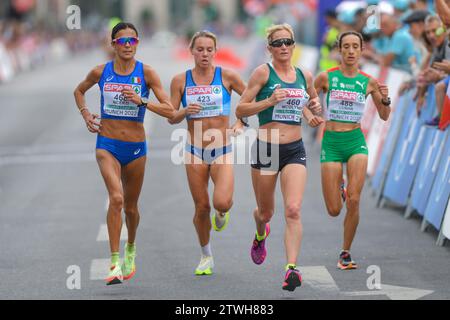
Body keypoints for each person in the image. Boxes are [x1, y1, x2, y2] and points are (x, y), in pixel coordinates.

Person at [73, 22, 174, 285]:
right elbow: (79, 90)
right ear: (113, 45)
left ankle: (131, 246)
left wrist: (141, 100)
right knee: (116, 198)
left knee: (130, 207)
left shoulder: (147, 74)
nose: (128, 45)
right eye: (122, 41)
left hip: (136, 148)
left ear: (138, 44)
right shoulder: (100, 71)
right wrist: (86, 114)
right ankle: (114, 262)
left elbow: (170, 109)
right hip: (107, 144)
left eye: (132, 41)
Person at [236, 23, 322, 292]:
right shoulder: (262, 73)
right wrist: (269, 101)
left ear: (294, 45)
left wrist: (313, 111)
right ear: (269, 48)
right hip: (266, 148)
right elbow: (241, 108)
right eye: (277, 43)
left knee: (293, 209)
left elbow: (309, 104)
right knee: (266, 212)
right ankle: (261, 232)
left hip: (294, 149)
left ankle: (291, 270)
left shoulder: (304, 74)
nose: (283, 47)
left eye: (287, 42)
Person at [169, 30, 246, 276]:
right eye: (199, 49)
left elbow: (250, 100)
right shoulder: (181, 81)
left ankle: (222, 212)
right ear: (191, 51)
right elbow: (171, 116)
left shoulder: (228, 76)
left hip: (222, 148)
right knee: (201, 207)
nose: (204, 54)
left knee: (221, 202)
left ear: (215, 51)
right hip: (194, 150)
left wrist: (240, 123)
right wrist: (184, 111)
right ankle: (206, 255)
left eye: (209, 49)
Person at [314, 31, 391, 270]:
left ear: (361, 50)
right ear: (339, 49)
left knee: (355, 200)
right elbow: (309, 99)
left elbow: (384, 115)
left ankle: (345, 253)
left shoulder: (369, 81)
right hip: (332, 142)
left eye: (354, 46)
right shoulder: (326, 77)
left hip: (356, 141)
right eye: (345, 46)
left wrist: (386, 101)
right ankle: (340, 188)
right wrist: (312, 109)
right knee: (334, 209)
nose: (349, 51)